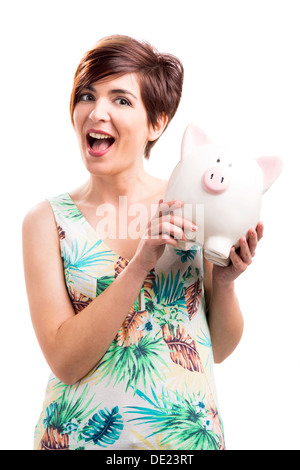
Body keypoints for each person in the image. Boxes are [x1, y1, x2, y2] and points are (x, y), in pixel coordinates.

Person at [22, 35, 263, 451]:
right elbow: (64, 361)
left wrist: (224, 284)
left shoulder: (189, 200)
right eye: (87, 95)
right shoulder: (46, 221)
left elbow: (217, 349)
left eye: (121, 100)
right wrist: (140, 262)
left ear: (157, 123)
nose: (97, 112)